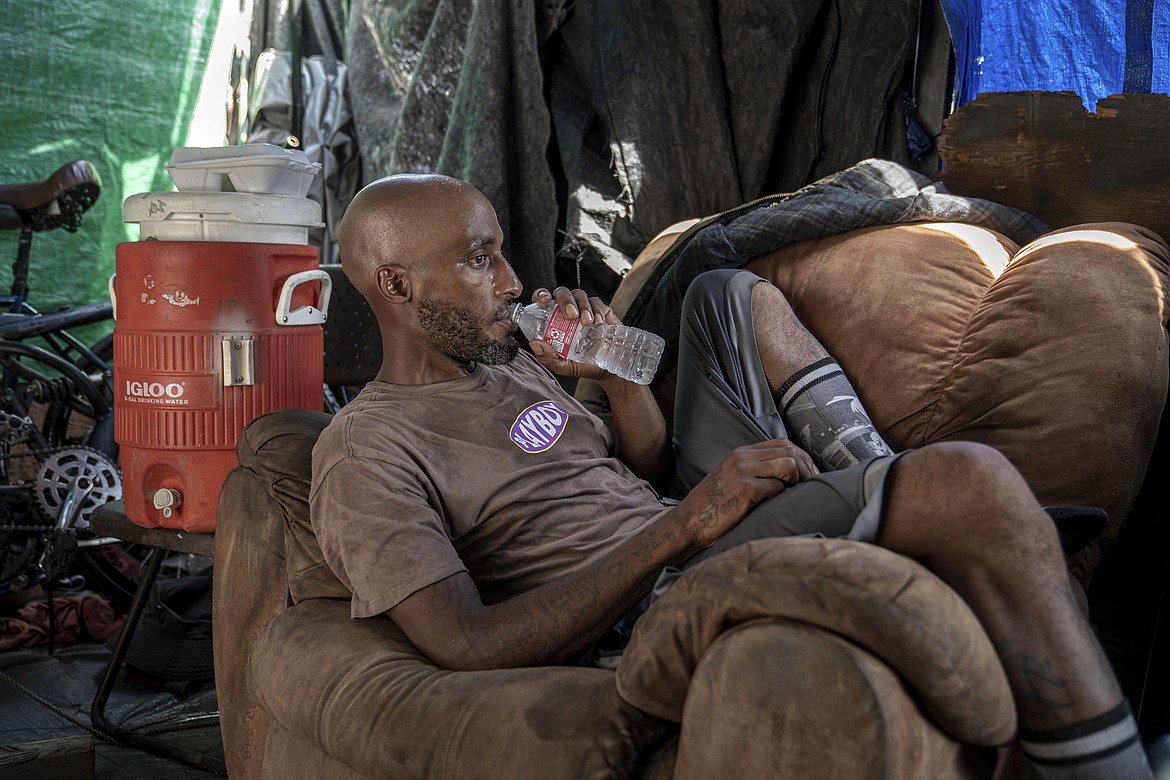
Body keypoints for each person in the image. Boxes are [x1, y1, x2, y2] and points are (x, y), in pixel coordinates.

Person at [310, 173, 1153, 780]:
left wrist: (617, 378)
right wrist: (687, 523)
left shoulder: (507, 369)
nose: (511, 281)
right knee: (969, 479)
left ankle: (890, 486)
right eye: (478, 261)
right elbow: (467, 645)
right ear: (396, 285)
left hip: (677, 519)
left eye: (500, 255)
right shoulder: (366, 450)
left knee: (723, 291)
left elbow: (632, 465)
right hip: (661, 584)